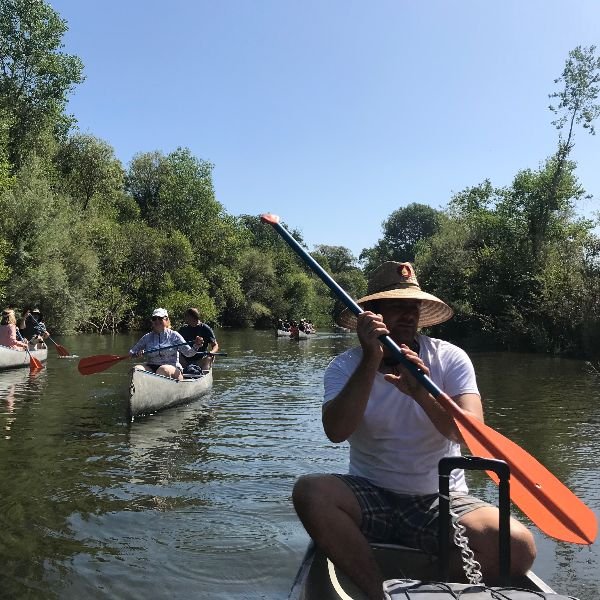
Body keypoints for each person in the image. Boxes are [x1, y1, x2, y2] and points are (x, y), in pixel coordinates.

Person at [291, 262, 536, 600]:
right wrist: (370, 362)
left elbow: (469, 434)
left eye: (412, 307)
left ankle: (423, 588)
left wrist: (422, 392)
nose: (407, 315)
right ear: (372, 315)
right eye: (396, 307)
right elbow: (336, 431)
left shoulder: (450, 359)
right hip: (370, 493)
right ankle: (379, 592)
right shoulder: (345, 366)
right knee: (310, 492)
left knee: (518, 546)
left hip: (440, 498)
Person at [129, 308, 204, 380]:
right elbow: (132, 352)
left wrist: (196, 345)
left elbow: (188, 353)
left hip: (172, 368)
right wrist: (136, 354)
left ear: (167, 320)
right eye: (154, 318)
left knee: (163, 369)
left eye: (160, 318)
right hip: (151, 367)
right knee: (136, 370)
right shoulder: (147, 337)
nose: (157, 321)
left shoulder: (174, 335)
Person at [178, 308, 219, 372]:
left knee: (209, 357)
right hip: (185, 361)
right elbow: (176, 345)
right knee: (177, 355)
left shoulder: (205, 329)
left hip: (201, 360)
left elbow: (215, 345)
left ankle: (204, 373)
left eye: (188, 317)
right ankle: (181, 374)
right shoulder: (183, 329)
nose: (186, 319)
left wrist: (212, 352)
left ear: (194, 317)